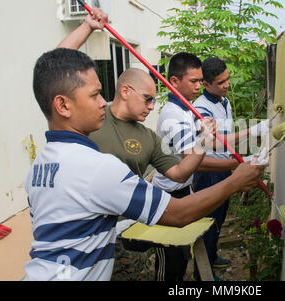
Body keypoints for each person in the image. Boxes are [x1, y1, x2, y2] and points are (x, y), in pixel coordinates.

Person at [23, 46, 264, 281]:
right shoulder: (98, 167)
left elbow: (179, 172)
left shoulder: (39, 167)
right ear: (63, 105)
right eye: (95, 94)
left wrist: (202, 144)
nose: (102, 102)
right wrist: (235, 180)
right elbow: (179, 214)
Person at [56, 8, 216, 281]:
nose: (152, 107)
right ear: (126, 91)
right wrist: (88, 27)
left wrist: (202, 143)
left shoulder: (147, 137)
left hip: (125, 231)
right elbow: (57, 67)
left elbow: (179, 173)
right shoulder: (93, 117)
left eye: (154, 100)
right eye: (148, 99)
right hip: (80, 234)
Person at [153, 54, 268, 281]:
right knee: (171, 261)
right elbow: (194, 162)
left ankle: (202, 268)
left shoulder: (188, 110)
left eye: (199, 81)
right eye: (194, 81)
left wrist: (241, 140)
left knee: (186, 248)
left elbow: (211, 141)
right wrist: (238, 163)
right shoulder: (175, 115)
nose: (197, 87)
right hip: (168, 194)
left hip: (184, 189)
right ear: (174, 81)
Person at [191, 57, 268, 280]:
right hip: (208, 172)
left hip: (223, 166)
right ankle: (201, 274)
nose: (226, 85)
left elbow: (226, 136)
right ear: (206, 84)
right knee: (208, 220)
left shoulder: (223, 101)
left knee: (221, 215)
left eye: (228, 79)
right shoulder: (201, 109)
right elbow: (213, 141)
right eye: (220, 82)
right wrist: (252, 132)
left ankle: (213, 257)